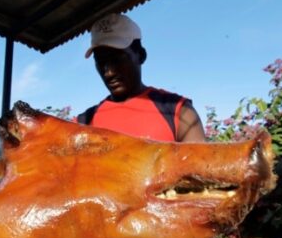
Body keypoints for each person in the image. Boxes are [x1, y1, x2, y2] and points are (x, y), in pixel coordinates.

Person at [77, 13, 205, 142]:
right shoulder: (81, 124)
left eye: (117, 58)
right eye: (100, 61)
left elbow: (201, 161)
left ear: (141, 55)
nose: (109, 72)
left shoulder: (179, 112)